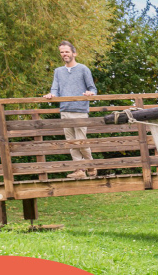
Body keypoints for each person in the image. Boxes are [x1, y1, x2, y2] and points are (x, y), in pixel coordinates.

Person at [43, 40, 97, 179]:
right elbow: (55, 89)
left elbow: (92, 88)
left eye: (66, 51)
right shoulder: (58, 71)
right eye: (62, 52)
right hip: (65, 110)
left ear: (74, 53)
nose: (64, 54)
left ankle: (90, 164)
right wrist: (51, 95)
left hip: (80, 110)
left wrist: (90, 93)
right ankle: (79, 170)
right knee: (72, 143)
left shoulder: (83, 69)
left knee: (81, 141)